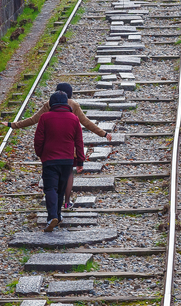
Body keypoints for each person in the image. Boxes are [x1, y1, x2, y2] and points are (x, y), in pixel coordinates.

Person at [6, 82, 112, 209]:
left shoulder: (49, 105)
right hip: (68, 149)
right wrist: (103, 134)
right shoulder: (74, 105)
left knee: (52, 175)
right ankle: (67, 202)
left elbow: (33, 120)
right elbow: (86, 123)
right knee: (68, 174)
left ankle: (54, 201)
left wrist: (12, 125)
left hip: (50, 149)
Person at [33, 91, 85, 232]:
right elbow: (79, 141)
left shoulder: (45, 118)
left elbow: (38, 139)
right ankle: (58, 215)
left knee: (50, 188)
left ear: (52, 103)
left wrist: (40, 153)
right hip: (67, 160)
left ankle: (52, 217)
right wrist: (80, 160)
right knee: (61, 190)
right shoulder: (74, 119)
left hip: (49, 159)